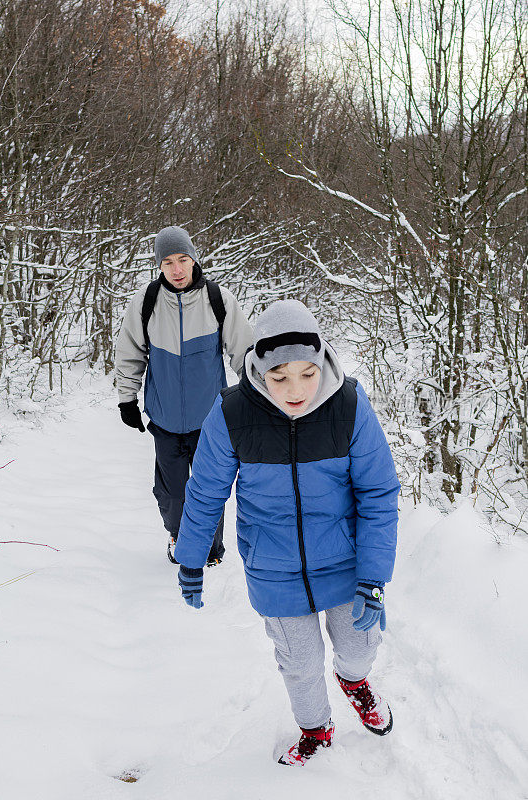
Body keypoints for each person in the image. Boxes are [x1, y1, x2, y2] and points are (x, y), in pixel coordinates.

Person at [173, 299, 401, 766]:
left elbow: (378, 493)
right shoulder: (232, 414)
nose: (295, 389)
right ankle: (316, 730)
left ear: (322, 361)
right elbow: (205, 491)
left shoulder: (350, 406)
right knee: (298, 665)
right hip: (273, 568)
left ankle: (354, 680)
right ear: (258, 367)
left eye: (307, 374)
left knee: (359, 648)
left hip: (344, 563)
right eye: (279, 377)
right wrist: (192, 558)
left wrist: (374, 576)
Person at [115, 225, 252, 567]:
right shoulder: (146, 304)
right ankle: (178, 535)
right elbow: (130, 352)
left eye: (182, 260)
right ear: (159, 266)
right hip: (164, 419)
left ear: (193, 259)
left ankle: (210, 549)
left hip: (211, 420)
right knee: (172, 493)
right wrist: (126, 398)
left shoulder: (218, 301)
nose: (176, 269)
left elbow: (245, 353)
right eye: (168, 263)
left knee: (208, 490)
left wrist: (255, 396)